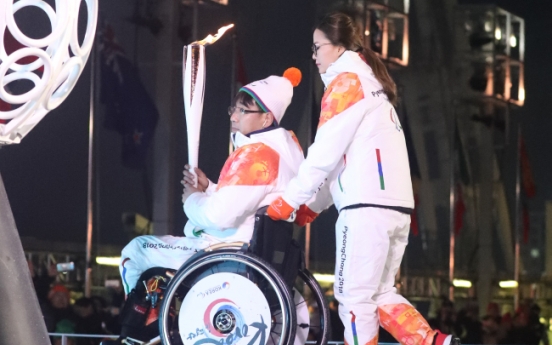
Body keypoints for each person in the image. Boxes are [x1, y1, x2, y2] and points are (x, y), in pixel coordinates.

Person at [267, 10, 460, 345]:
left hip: (366, 209)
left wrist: (289, 200)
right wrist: (313, 205)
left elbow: (325, 153)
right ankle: (433, 342)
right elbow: (347, 160)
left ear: (338, 47)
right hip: (394, 207)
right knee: (381, 293)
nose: (312, 56)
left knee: (355, 299)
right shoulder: (371, 83)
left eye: (317, 47)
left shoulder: (347, 83)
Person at [101, 68, 304, 345]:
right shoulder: (288, 150)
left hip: (223, 253)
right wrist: (209, 187)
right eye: (234, 108)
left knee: (135, 251)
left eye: (243, 111)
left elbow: (217, 215)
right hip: (253, 252)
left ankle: (145, 328)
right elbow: (248, 202)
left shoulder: (257, 156)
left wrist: (193, 198)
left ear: (267, 117)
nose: (233, 116)